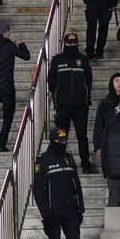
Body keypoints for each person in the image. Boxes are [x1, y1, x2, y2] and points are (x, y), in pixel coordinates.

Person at [32, 127, 85, 239]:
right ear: (52, 141)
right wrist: (46, 213)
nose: (62, 144)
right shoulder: (43, 161)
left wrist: (80, 207)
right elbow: (38, 189)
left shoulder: (68, 158)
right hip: (53, 213)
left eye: (64, 141)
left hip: (70, 211)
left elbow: (76, 184)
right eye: (59, 142)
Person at [48, 33, 94, 173]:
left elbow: (88, 80)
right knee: (61, 136)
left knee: (82, 137)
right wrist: (58, 97)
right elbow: (51, 80)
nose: (72, 46)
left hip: (81, 106)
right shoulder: (57, 60)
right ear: (65, 44)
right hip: (63, 106)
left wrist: (85, 97)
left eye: (74, 44)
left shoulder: (83, 60)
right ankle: (60, 163)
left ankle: (85, 165)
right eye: (69, 44)